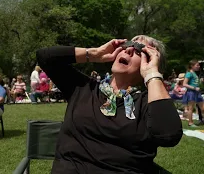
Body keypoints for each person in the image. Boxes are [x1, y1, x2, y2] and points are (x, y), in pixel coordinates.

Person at [36, 35, 182, 173]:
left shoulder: (147, 104)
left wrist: (152, 74)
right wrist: (94, 53)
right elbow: (46, 57)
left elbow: (168, 135)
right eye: (127, 45)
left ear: (151, 62)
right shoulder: (83, 88)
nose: (129, 49)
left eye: (139, 50)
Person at [182, 60, 204, 127]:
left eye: (198, 65)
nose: (198, 66)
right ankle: (190, 123)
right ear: (192, 66)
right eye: (197, 65)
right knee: (191, 108)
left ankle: (202, 120)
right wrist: (194, 88)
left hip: (197, 92)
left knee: (202, 108)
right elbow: (184, 84)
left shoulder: (194, 73)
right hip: (191, 92)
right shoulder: (189, 73)